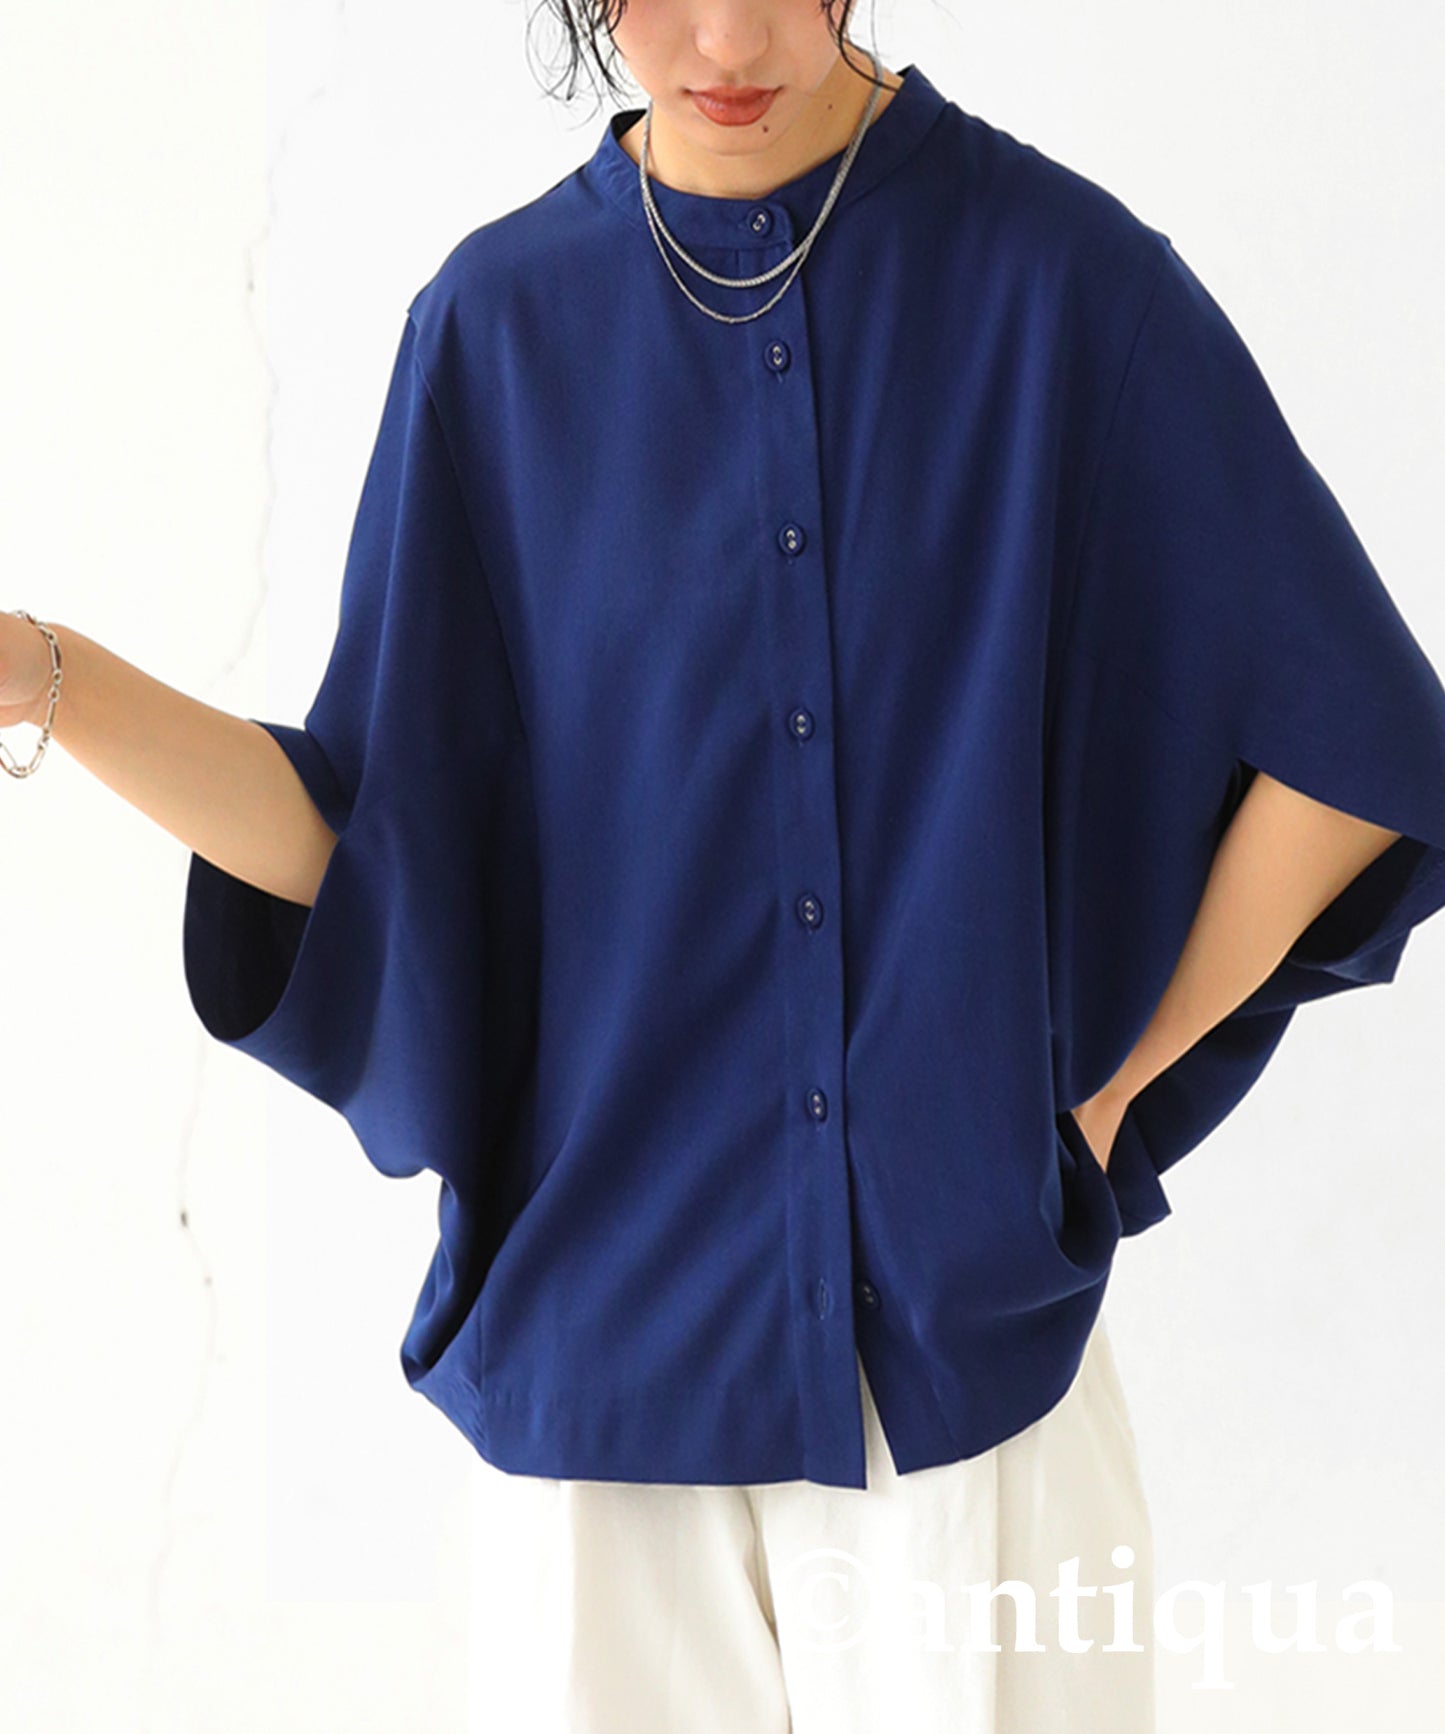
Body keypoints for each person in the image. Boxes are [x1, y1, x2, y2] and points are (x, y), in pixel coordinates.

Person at [7, 3, 1445, 1728]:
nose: (725, 36)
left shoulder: (1061, 284)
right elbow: (367, 854)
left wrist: (1102, 1096)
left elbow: (1352, 743)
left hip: (960, 1365)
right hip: (601, 1376)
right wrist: (47, 675)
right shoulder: (494, 335)